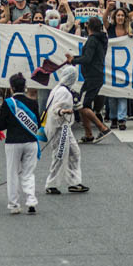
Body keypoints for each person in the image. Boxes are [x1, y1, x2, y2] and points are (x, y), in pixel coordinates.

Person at [0, 73, 43, 214]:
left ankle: (14, 204)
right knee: (28, 173)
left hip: (13, 142)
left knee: (12, 174)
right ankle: (31, 200)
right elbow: (38, 125)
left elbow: (0, 126)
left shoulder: (8, 103)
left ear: (11, 87)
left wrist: (1, 111)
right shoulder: (33, 103)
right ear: (25, 87)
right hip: (30, 142)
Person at [65, 16, 111, 144]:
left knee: (81, 105)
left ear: (87, 27)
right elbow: (89, 56)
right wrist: (74, 58)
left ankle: (102, 128)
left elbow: (87, 58)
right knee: (83, 104)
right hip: (96, 75)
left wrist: (74, 60)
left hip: (92, 76)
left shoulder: (92, 40)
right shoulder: (102, 39)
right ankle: (88, 134)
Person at [44, 66, 87, 195]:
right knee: (60, 155)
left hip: (63, 127)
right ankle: (51, 184)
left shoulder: (60, 89)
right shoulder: (63, 92)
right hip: (59, 128)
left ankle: (74, 182)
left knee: (74, 152)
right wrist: (63, 111)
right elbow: (55, 109)